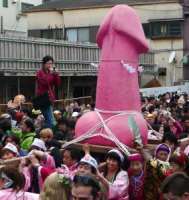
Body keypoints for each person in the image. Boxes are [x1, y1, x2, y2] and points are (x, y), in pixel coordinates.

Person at [36, 55, 61, 128]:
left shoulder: (51, 73)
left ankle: (43, 131)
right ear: (44, 64)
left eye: (51, 63)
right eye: (48, 63)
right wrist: (51, 74)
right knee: (51, 121)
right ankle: (47, 133)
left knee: (48, 119)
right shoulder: (40, 73)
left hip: (49, 98)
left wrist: (56, 74)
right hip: (43, 98)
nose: (50, 65)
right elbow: (45, 82)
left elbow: (57, 83)